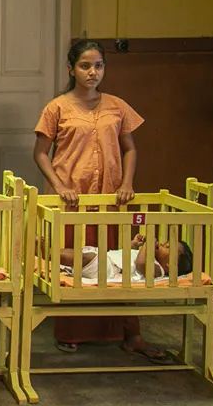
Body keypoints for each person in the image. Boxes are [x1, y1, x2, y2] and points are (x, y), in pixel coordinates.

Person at [33, 39, 174, 365]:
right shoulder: (57, 108)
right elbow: (40, 153)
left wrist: (127, 183)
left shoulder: (117, 106)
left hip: (111, 198)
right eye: (85, 66)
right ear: (71, 69)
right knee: (77, 264)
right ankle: (71, 332)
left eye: (98, 66)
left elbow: (130, 149)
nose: (92, 72)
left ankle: (126, 333)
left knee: (119, 263)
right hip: (73, 200)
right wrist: (59, 186)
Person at [57, 234, 194, 281]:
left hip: (110, 269)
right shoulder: (148, 254)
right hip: (108, 258)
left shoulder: (158, 271)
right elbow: (126, 254)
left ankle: (51, 254)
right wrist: (133, 245)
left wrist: (148, 245)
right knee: (74, 253)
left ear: (170, 265)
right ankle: (52, 253)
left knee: (82, 258)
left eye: (167, 247)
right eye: (165, 243)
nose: (162, 244)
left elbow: (140, 264)